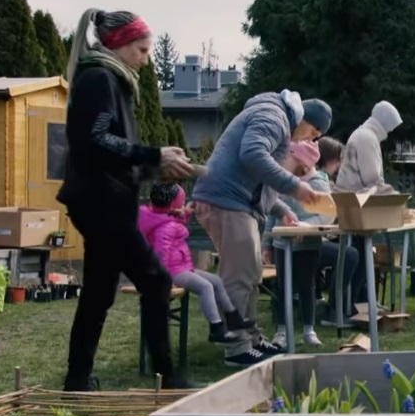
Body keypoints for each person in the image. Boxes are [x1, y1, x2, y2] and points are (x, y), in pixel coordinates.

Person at [56, 8, 194, 391]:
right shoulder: (99, 79)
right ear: (119, 44)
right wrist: (151, 156)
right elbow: (96, 143)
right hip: (102, 204)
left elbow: (113, 150)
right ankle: (168, 381)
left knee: (99, 293)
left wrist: (155, 166)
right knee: (156, 280)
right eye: (143, 50)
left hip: (105, 200)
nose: (146, 60)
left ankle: (77, 380)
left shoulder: (112, 80)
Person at [191, 90, 332, 366]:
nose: (309, 140)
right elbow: (252, 155)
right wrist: (294, 186)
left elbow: (259, 179)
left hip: (235, 201)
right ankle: (236, 348)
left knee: (252, 273)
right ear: (306, 119)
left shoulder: (276, 118)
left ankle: (251, 339)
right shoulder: (273, 116)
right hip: (226, 201)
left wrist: (283, 209)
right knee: (240, 274)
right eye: (313, 133)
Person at [139, 183, 257, 348]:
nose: (182, 206)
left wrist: (186, 211)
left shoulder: (164, 218)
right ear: (173, 206)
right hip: (173, 272)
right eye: (181, 203)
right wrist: (164, 279)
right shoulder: (164, 228)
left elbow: (176, 222)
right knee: (205, 287)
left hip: (182, 266)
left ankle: (233, 318)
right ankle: (216, 328)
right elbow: (161, 255)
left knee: (215, 280)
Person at [262, 140, 334, 347]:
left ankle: (308, 330)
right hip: (281, 244)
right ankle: (282, 331)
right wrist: (267, 243)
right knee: (282, 286)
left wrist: (304, 226)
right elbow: (272, 215)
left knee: (306, 286)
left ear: (301, 162)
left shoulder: (318, 184)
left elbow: (326, 215)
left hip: (308, 245)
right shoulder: (282, 184)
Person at [312, 136, 363, 325]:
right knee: (351, 255)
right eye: (339, 160)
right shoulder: (318, 181)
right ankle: (335, 309)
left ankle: (343, 305)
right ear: (331, 160)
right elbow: (325, 215)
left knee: (352, 250)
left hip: (311, 238)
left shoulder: (320, 179)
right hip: (306, 241)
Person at [335, 101, 401, 193]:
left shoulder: (364, 134)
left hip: (350, 195)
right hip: (357, 198)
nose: (391, 130)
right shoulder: (367, 138)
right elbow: (372, 180)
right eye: (391, 125)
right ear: (385, 122)